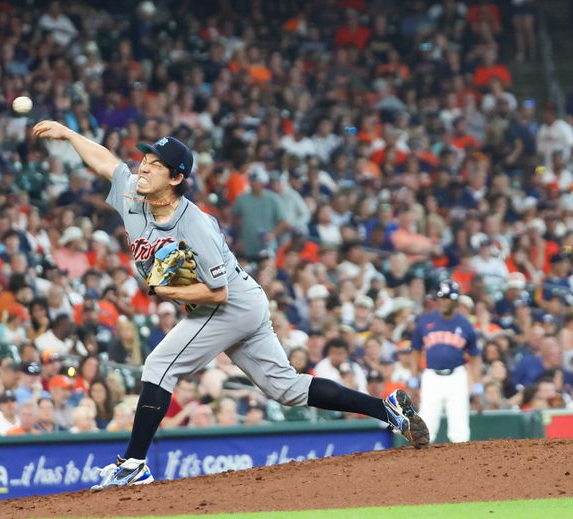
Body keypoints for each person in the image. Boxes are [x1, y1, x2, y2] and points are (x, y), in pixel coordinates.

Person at [33, 121, 429, 489]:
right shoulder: (133, 193)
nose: (143, 168)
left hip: (228, 305)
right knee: (287, 388)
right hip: (240, 303)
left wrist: (170, 293)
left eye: (155, 165)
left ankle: (133, 465)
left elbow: (216, 293)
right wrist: (68, 133)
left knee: (158, 365)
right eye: (145, 160)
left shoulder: (195, 225)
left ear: (176, 178)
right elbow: (106, 162)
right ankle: (387, 409)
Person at [410, 280, 482, 444]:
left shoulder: (465, 324)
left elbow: (475, 356)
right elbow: (415, 351)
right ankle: (420, 465)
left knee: (459, 427)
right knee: (426, 424)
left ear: (456, 300)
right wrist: (413, 380)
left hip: (456, 376)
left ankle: (461, 466)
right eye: (441, 298)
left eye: (447, 298)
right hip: (431, 376)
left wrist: (478, 386)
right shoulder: (425, 322)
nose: (443, 301)